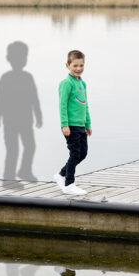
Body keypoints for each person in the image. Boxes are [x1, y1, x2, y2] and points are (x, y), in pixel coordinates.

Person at [0, 41, 42, 182]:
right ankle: (9, 177)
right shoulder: (6, 78)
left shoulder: (28, 77)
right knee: (12, 150)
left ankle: (24, 171)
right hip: (10, 121)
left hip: (26, 120)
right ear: (9, 59)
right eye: (18, 57)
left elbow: (34, 98)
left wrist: (38, 116)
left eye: (23, 57)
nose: (21, 60)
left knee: (30, 146)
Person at [53, 49, 92, 196]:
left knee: (83, 153)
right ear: (67, 65)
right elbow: (62, 105)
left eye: (81, 65)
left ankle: (61, 174)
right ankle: (69, 184)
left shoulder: (83, 84)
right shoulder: (66, 83)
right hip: (71, 126)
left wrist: (88, 124)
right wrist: (64, 124)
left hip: (81, 125)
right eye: (75, 65)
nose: (78, 69)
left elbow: (85, 105)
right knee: (75, 153)